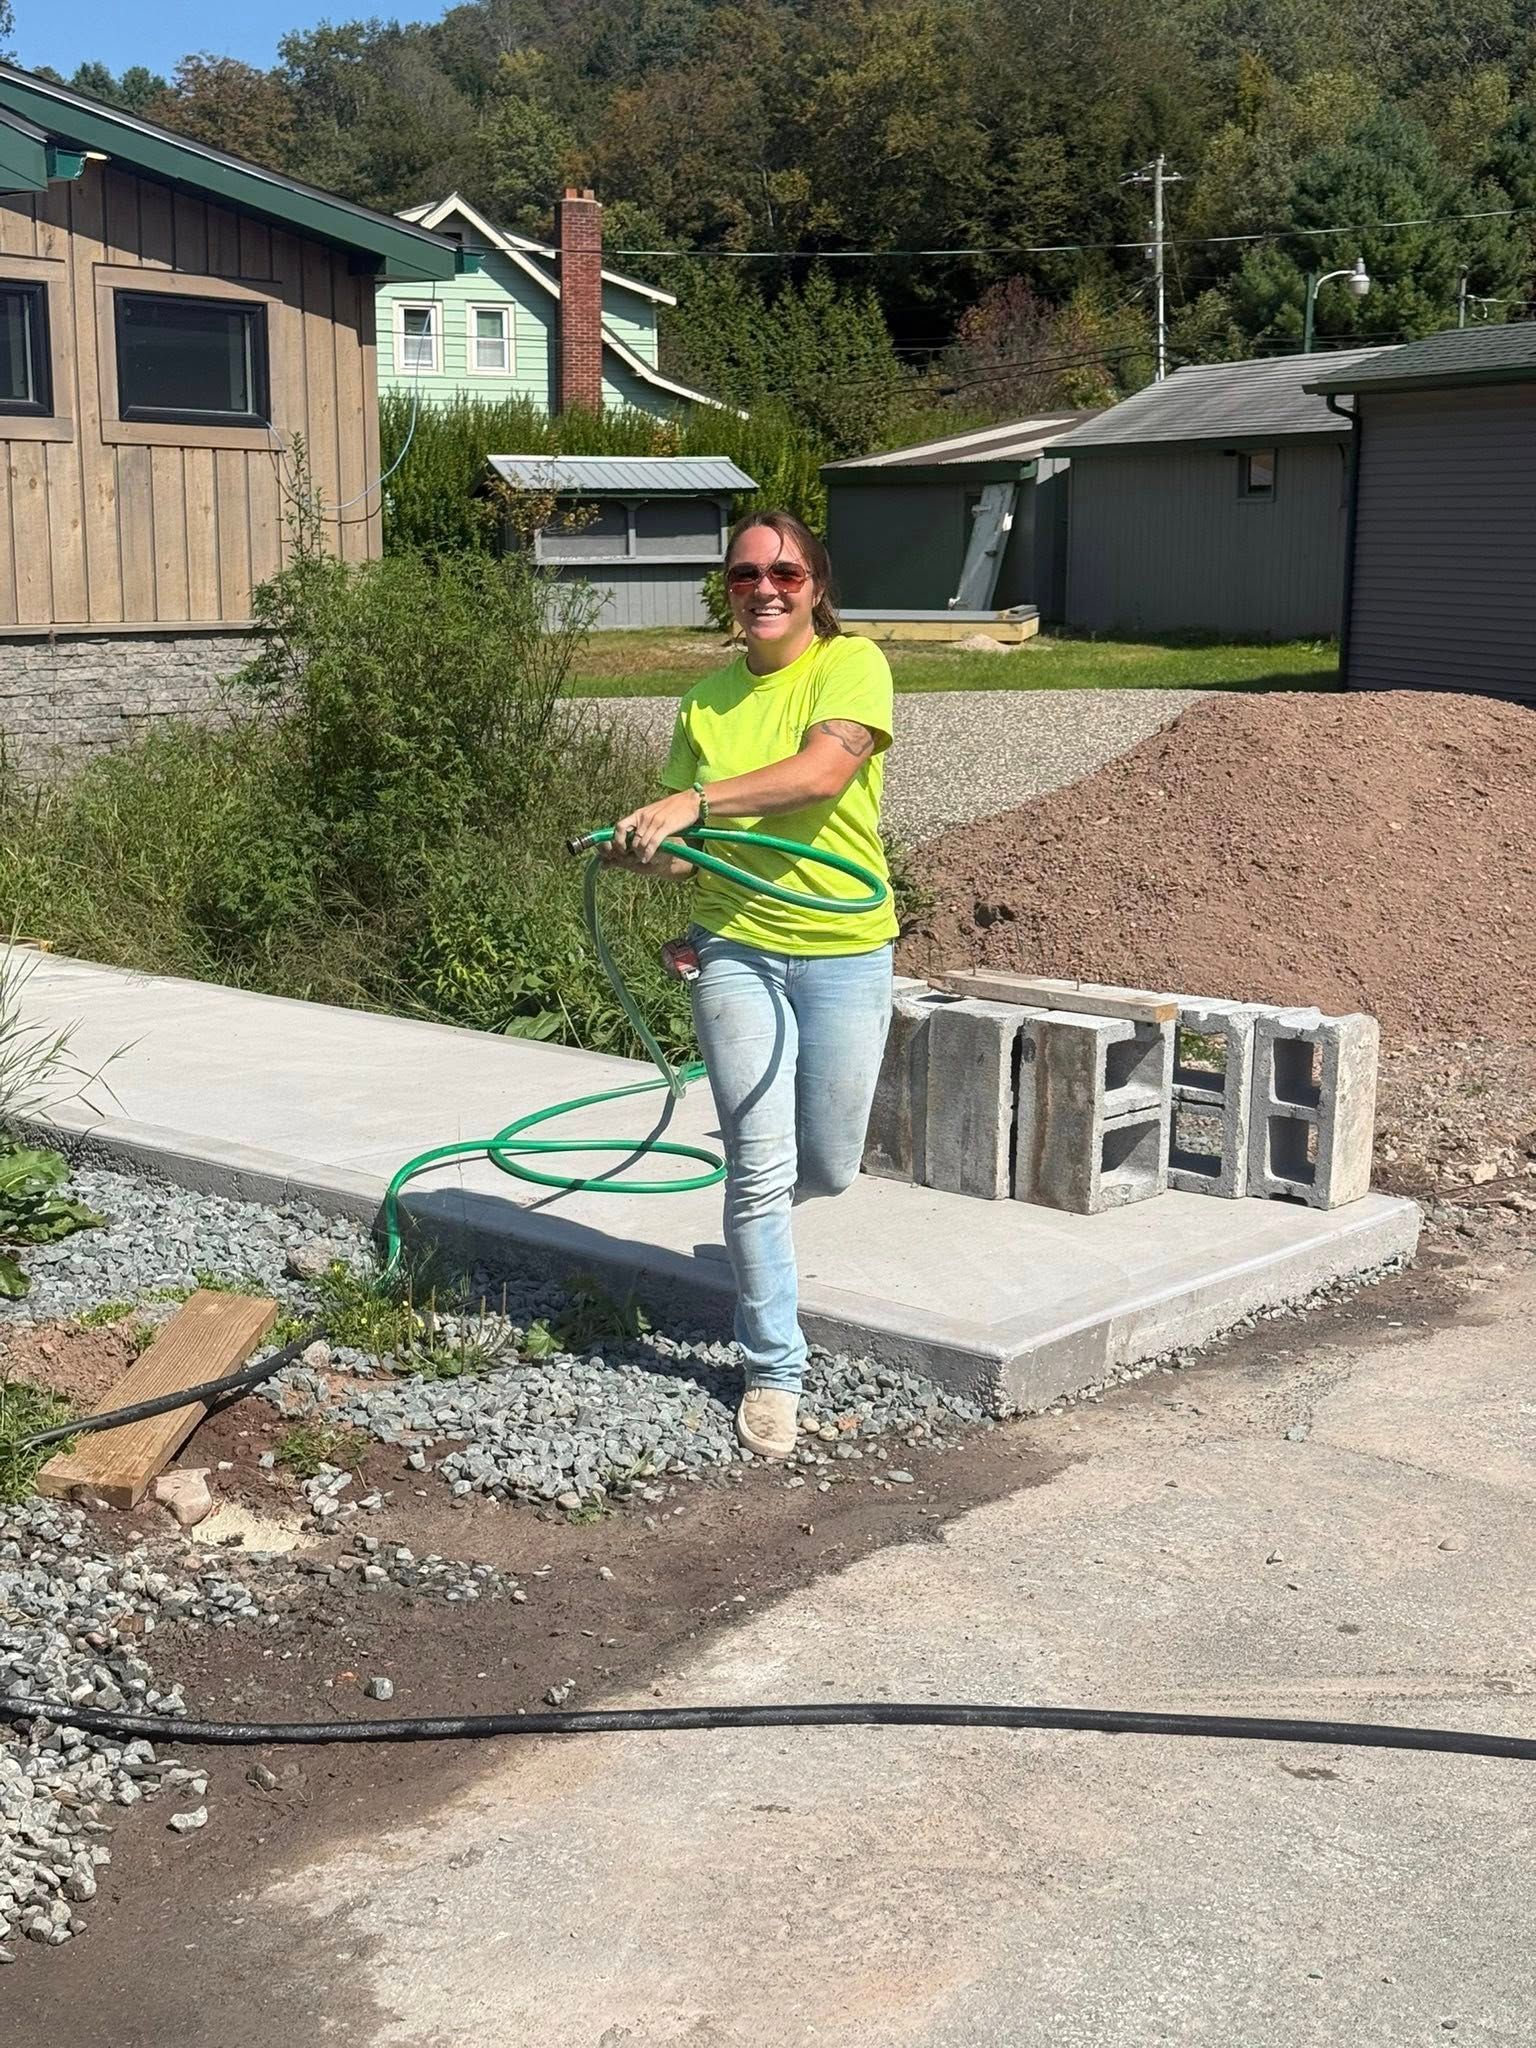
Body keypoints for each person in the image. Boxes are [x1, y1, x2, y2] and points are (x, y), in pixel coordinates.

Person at [606, 510, 898, 1461]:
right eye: (743, 575)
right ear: (726, 590)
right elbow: (694, 853)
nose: (764, 588)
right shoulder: (703, 702)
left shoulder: (852, 668)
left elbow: (820, 775)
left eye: (785, 572)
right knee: (759, 1167)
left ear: (816, 585)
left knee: (829, 1166)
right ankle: (774, 1370)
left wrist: (691, 801)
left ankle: (755, 1233)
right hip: (734, 946)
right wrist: (656, 852)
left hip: (847, 947)